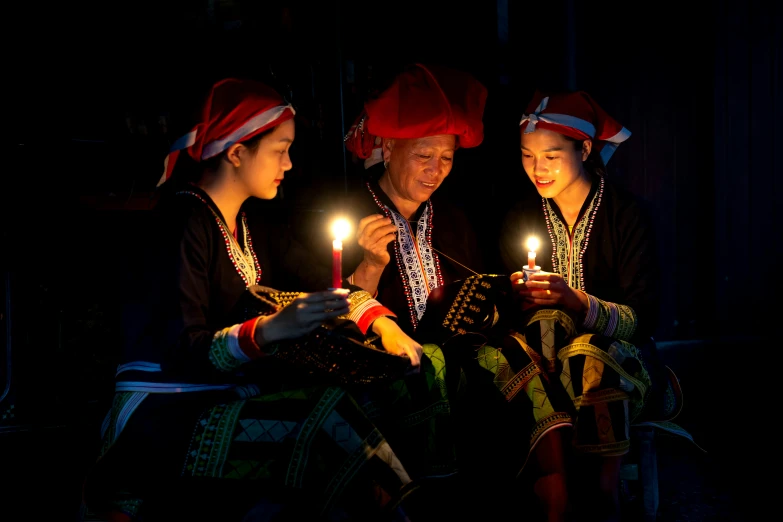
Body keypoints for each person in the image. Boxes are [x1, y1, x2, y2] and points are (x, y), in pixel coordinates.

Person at [81, 77, 433, 522]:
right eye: (279, 149)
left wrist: (381, 323)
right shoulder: (182, 222)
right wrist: (271, 330)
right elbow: (182, 350)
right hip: (162, 412)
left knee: (370, 398)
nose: (288, 163)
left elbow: (321, 287)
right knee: (326, 419)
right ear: (236, 153)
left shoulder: (250, 227)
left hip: (223, 396)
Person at [488, 89, 686, 522]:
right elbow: (505, 305)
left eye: (551, 156)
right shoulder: (520, 216)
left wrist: (576, 300)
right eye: (526, 156)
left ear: (585, 148)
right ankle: (555, 482)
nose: (537, 170)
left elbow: (643, 318)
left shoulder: (628, 216)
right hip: (547, 368)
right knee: (543, 326)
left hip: (625, 366)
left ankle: (603, 489)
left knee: (590, 353)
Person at [341, 62, 488, 337]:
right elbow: (333, 319)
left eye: (447, 157)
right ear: (389, 148)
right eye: (423, 156)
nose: (436, 170)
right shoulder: (350, 216)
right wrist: (371, 265)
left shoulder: (453, 220)